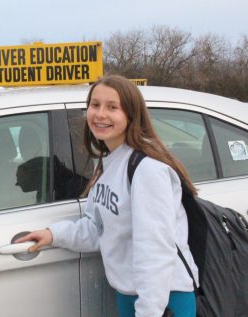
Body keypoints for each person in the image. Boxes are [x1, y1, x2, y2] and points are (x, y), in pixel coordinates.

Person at [16, 75, 199, 317]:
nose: (100, 114)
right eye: (95, 105)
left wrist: (148, 312)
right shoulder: (109, 163)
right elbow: (97, 228)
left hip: (164, 299)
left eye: (112, 107)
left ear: (131, 115)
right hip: (131, 295)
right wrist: (54, 235)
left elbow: (155, 250)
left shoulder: (146, 170)